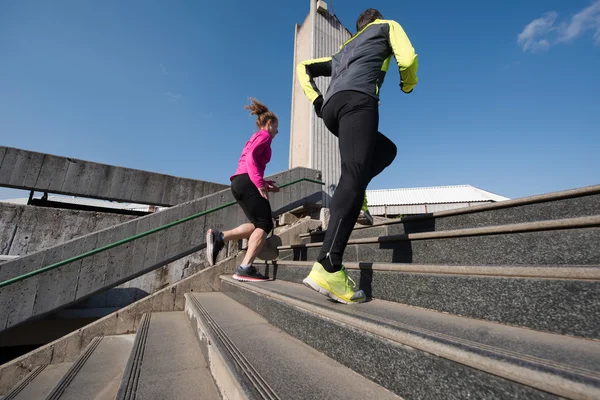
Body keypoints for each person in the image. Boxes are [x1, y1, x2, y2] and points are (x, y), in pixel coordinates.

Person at [296, 8, 418, 303]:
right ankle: (329, 264)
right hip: (359, 100)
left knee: (385, 150)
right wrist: (407, 83)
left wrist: (317, 100)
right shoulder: (387, 26)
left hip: (332, 109)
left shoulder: (343, 48)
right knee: (353, 174)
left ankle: (355, 191)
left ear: (358, 25)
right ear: (376, 20)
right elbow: (409, 58)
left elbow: (305, 67)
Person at [206, 98, 280, 282]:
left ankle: (220, 237)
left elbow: (249, 162)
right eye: (276, 127)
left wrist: (264, 182)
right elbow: (251, 160)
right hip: (247, 181)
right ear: (269, 123)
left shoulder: (254, 137)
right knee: (265, 224)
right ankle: (245, 268)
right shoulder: (264, 136)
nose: (277, 132)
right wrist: (259, 183)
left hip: (239, 182)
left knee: (257, 225)